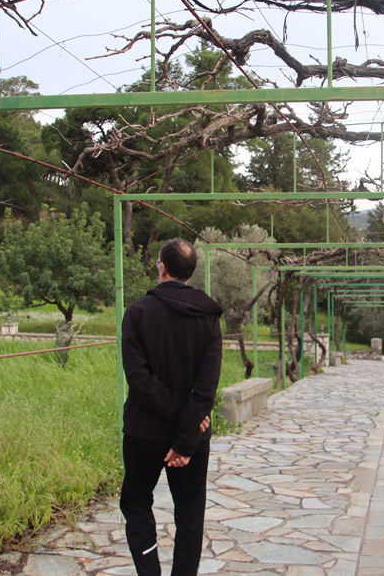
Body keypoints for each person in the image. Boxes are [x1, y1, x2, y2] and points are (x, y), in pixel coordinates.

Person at [119, 238, 224, 576]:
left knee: (136, 502)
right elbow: (207, 386)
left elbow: (139, 379)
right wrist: (187, 428)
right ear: (189, 272)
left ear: (161, 267)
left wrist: (182, 422)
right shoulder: (209, 317)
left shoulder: (137, 312)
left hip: (144, 431)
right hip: (194, 436)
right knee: (190, 513)